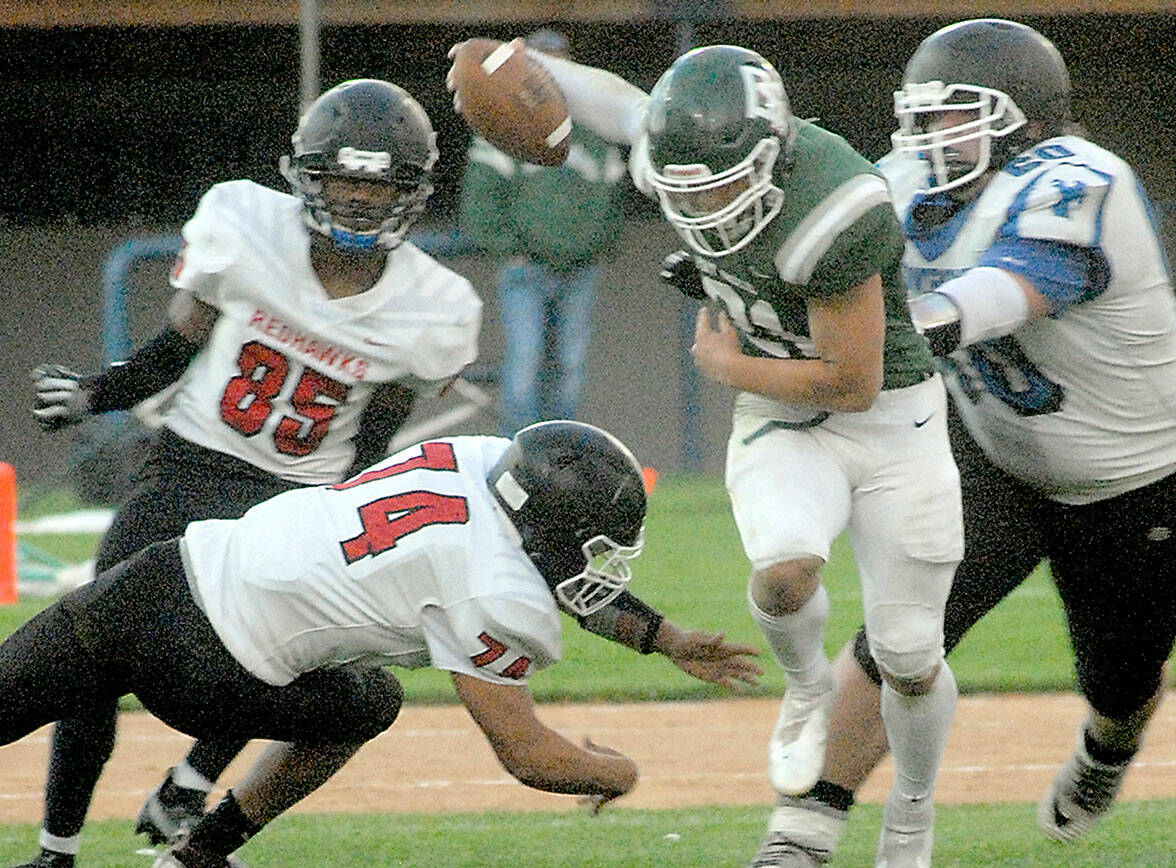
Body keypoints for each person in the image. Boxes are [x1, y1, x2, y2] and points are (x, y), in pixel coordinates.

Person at [450, 40, 965, 866]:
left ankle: (912, 813)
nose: (710, 205)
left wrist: (725, 366)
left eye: (726, 183)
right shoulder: (676, 155)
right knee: (784, 571)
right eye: (690, 189)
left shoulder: (832, 209)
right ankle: (805, 689)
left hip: (890, 420)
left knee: (908, 653)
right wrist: (501, 53)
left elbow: (852, 382)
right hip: (779, 413)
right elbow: (616, 103)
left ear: (776, 153)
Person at [747, 19, 1176, 867]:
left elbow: (1008, 292)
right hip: (996, 452)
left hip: (1140, 473)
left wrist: (904, 329)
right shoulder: (905, 183)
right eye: (921, 118)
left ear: (1025, 119)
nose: (929, 137)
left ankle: (1109, 750)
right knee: (902, 629)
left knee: (1119, 677)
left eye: (953, 115)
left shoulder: (1082, 179)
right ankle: (805, 829)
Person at [20, 79, 484, 868]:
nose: (360, 200)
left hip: (299, 496)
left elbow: (375, 439)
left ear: (409, 191)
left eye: (377, 184)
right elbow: (175, 350)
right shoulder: (244, 223)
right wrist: (99, 392)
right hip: (190, 465)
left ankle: (187, 788)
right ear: (306, 176)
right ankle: (56, 851)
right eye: (345, 179)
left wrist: (349, 518)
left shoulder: (434, 307)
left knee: (276, 651)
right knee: (91, 652)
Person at [0, 420, 764, 867]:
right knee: (370, 702)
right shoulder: (493, 591)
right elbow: (526, 754)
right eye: (590, 542)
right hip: (212, 677)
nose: (592, 560)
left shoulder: (478, 457)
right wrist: (616, 772)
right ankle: (203, 850)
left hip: (163, 573)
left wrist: (660, 636)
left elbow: (547, 557)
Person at [457, 28, 628, 436]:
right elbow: (479, 204)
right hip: (526, 268)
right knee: (525, 363)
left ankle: (562, 455)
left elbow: (615, 202)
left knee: (570, 365)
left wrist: (596, 246)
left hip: (580, 270)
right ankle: (516, 456)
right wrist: (511, 249)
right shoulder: (501, 125)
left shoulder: (596, 130)